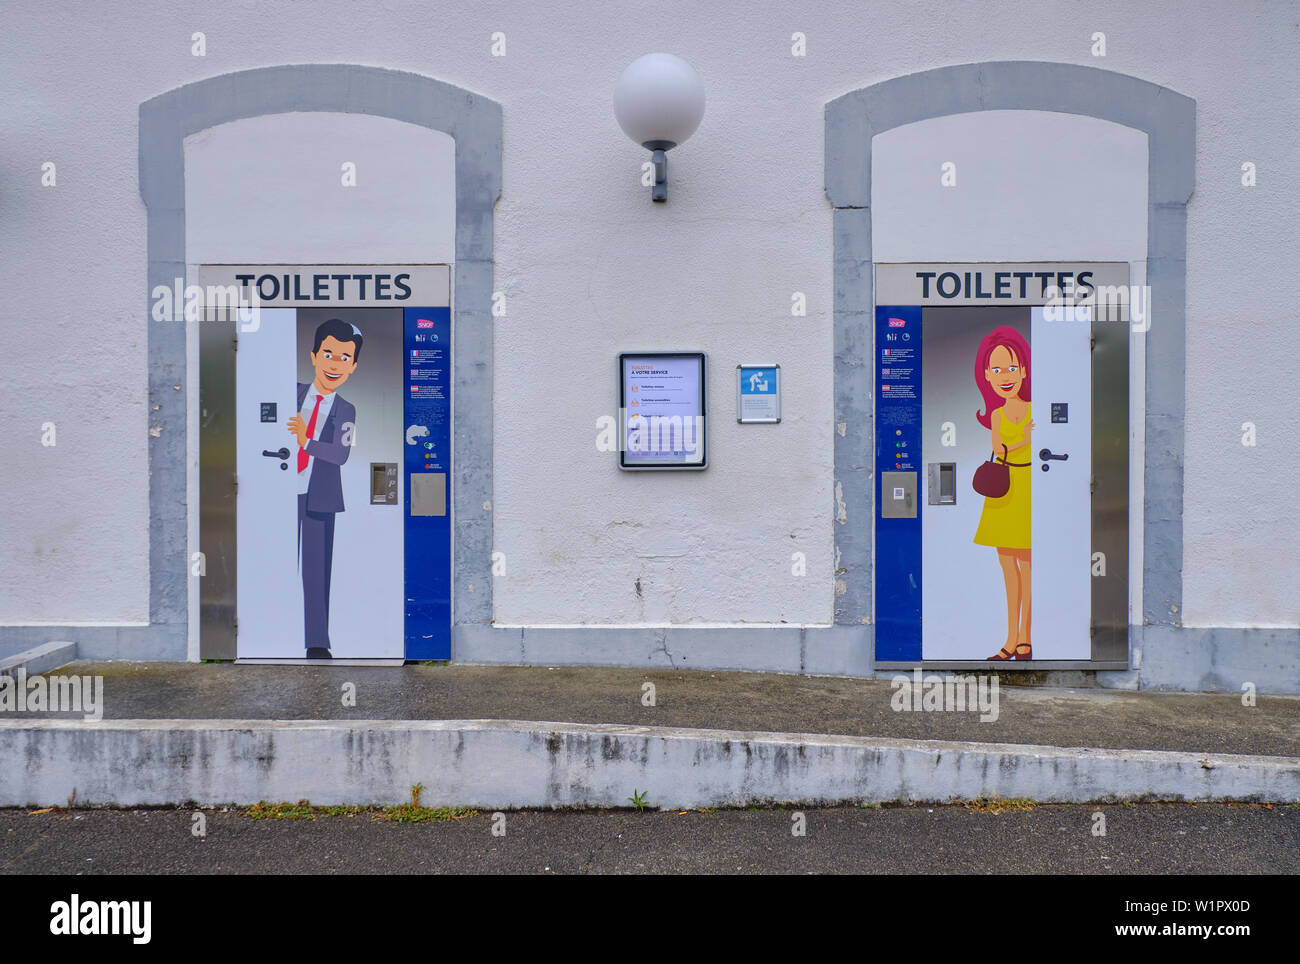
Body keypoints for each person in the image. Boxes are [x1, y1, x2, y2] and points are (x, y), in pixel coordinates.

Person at [287, 319, 361, 659]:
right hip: (280, 493)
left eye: (344, 358)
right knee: (272, 561)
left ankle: (317, 642)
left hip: (319, 498)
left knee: (316, 571)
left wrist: (308, 441)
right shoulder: (290, 392)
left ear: (353, 367)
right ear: (314, 356)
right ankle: (270, 629)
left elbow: (341, 454)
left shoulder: (347, 411)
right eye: (328, 353)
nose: (335, 364)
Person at [972, 326, 1033, 661]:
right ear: (987, 375)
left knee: (1028, 566)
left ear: (1023, 370)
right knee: (1008, 568)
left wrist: (1023, 438)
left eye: (1011, 368)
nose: (1005, 376)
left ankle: (1025, 639)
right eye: (997, 370)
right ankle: (1010, 640)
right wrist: (1025, 437)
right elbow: (1001, 448)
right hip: (1003, 492)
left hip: (1026, 490)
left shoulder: (1034, 407)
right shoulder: (996, 415)